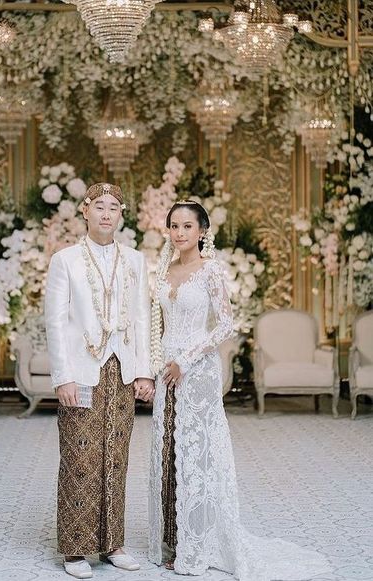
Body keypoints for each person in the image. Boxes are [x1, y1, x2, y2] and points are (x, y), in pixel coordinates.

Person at [147, 200, 331, 579]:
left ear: (201, 232)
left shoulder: (210, 270)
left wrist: (188, 358)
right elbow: (156, 324)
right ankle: (173, 538)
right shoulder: (163, 271)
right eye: (174, 226)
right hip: (167, 370)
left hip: (196, 371)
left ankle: (196, 545)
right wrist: (158, 362)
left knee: (197, 454)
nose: (179, 233)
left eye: (187, 226)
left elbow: (225, 324)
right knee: (168, 452)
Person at [45, 182, 154, 580]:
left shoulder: (136, 261)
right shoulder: (66, 260)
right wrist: (63, 376)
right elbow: (55, 322)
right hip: (82, 370)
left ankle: (113, 543)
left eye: (114, 207)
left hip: (121, 370)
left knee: (117, 457)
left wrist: (144, 370)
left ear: (121, 215)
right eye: (99, 207)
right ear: (85, 211)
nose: (107, 214)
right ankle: (76, 548)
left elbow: (142, 318)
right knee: (78, 457)